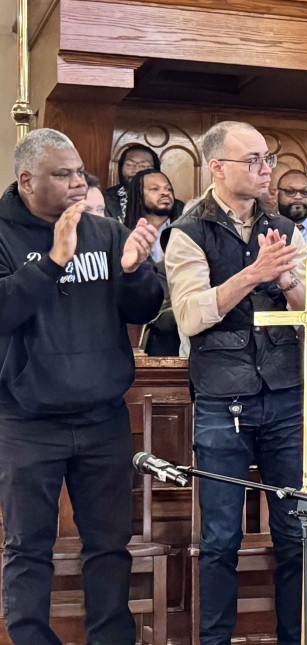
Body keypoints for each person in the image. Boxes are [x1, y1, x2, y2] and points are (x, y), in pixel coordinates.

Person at [0, 128, 164, 645]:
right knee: (28, 546)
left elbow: (142, 310)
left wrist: (137, 271)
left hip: (102, 417)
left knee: (110, 545)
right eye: (62, 174)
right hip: (26, 419)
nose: (77, 183)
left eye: (79, 173)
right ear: (27, 180)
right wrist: (52, 261)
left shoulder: (106, 231)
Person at [165, 121, 307, 645]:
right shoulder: (187, 229)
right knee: (221, 538)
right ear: (217, 168)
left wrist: (288, 280)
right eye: (252, 160)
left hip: (285, 395)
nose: (265, 169)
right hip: (221, 397)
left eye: (267, 159)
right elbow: (190, 315)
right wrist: (253, 273)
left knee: (296, 531)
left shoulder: (285, 228)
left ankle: (295, 638)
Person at [125, 169, 182, 356]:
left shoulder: (186, 234)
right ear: (138, 196)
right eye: (155, 189)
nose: (165, 193)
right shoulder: (125, 238)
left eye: (168, 189)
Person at [104, 143, 164, 223]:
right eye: (129, 165)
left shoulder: (171, 204)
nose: (136, 170)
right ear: (120, 168)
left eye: (144, 166)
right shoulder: (105, 199)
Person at [276, 169, 307, 246]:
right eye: (290, 192)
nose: (298, 197)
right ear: (277, 195)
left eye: (305, 192)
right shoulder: (265, 227)